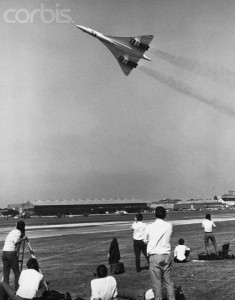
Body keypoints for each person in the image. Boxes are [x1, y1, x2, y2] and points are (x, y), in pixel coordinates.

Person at [144, 206, 175, 300]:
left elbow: (145, 240)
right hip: (166, 256)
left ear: (155, 214)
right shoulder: (169, 226)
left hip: (155, 256)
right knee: (168, 282)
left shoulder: (149, 227)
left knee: (157, 284)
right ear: (164, 215)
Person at [2, 221, 28, 289]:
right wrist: (23, 238)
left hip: (4, 252)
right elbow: (16, 241)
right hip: (10, 253)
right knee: (16, 272)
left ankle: (5, 290)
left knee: (6, 273)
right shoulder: (18, 232)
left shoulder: (13, 231)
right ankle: (17, 289)